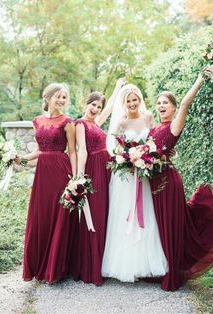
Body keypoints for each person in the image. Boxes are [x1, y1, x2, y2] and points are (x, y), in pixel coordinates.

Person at [149, 69, 213, 291]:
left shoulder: (174, 124)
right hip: (152, 181)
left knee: (171, 226)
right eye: (159, 103)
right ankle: (159, 267)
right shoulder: (154, 127)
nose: (162, 106)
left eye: (166, 103)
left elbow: (185, 104)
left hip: (168, 183)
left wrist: (200, 79)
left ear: (173, 107)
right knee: (158, 227)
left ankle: (172, 273)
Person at [102, 84, 168, 282]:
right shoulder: (121, 122)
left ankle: (146, 264)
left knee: (146, 214)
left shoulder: (148, 117)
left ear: (140, 100)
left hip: (143, 174)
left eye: (135, 99)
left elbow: (154, 141)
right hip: (126, 177)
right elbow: (112, 145)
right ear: (124, 103)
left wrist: (149, 157)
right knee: (123, 215)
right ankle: (123, 264)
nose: (132, 103)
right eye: (128, 100)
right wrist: (124, 158)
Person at [16, 83, 79, 283]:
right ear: (48, 97)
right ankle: (40, 264)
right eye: (58, 96)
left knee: (59, 215)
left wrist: (76, 179)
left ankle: (56, 269)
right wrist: (21, 159)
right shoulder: (37, 121)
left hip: (61, 172)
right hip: (42, 174)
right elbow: (39, 150)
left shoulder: (68, 122)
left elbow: (72, 151)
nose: (61, 100)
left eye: (64, 97)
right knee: (41, 216)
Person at [75, 79, 126, 285]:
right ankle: (91, 267)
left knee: (106, 211)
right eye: (93, 104)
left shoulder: (95, 123)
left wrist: (117, 88)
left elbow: (112, 106)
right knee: (95, 214)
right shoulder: (80, 124)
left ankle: (104, 263)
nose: (95, 108)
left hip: (106, 167)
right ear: (86, 104)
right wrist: (80, 177)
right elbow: (82, 150)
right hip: (94, 170)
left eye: (98, 106)